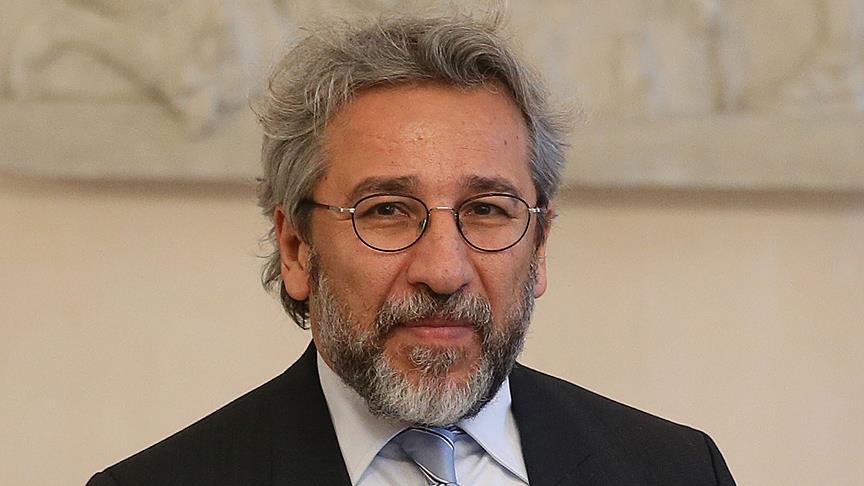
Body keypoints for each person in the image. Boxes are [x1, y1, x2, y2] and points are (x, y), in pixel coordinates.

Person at [87, 12, 736, 486]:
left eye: (487, 210)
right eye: (387, 211)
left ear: (539, 247)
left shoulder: (676, 470)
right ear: (296, 248)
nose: (444, 271)